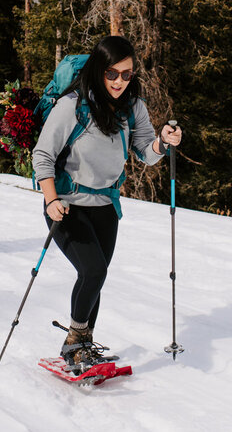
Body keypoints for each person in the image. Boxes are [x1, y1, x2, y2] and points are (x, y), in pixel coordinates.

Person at [32, 35, 182, 368]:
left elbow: (145, 152)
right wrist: (50, 198)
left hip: (105, 206)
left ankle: (82, 345)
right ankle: (74, 343)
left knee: (96, 276)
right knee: (93, 270)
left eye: (126, 74)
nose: (118, 81)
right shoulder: (71, 105)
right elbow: (42, 154)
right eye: (111, 73)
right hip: (66, 204)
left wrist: (162, 141)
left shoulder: (133, 107)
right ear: (99, 70)